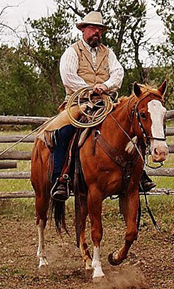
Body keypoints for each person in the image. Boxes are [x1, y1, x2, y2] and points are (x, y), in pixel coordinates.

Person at [42, 10, 156, 201]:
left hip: (105, 102)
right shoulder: (72, 52)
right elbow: (68, 77)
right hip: (78, 103)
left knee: (129, 127)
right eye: (92, 28)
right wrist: (89, 88)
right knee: (64, 132)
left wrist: (106, 86)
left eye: (99, 29)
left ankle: (139, 174)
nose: (96, 32)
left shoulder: (108, 53)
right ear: (83, 30)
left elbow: (118, 73)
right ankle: (61, 178)